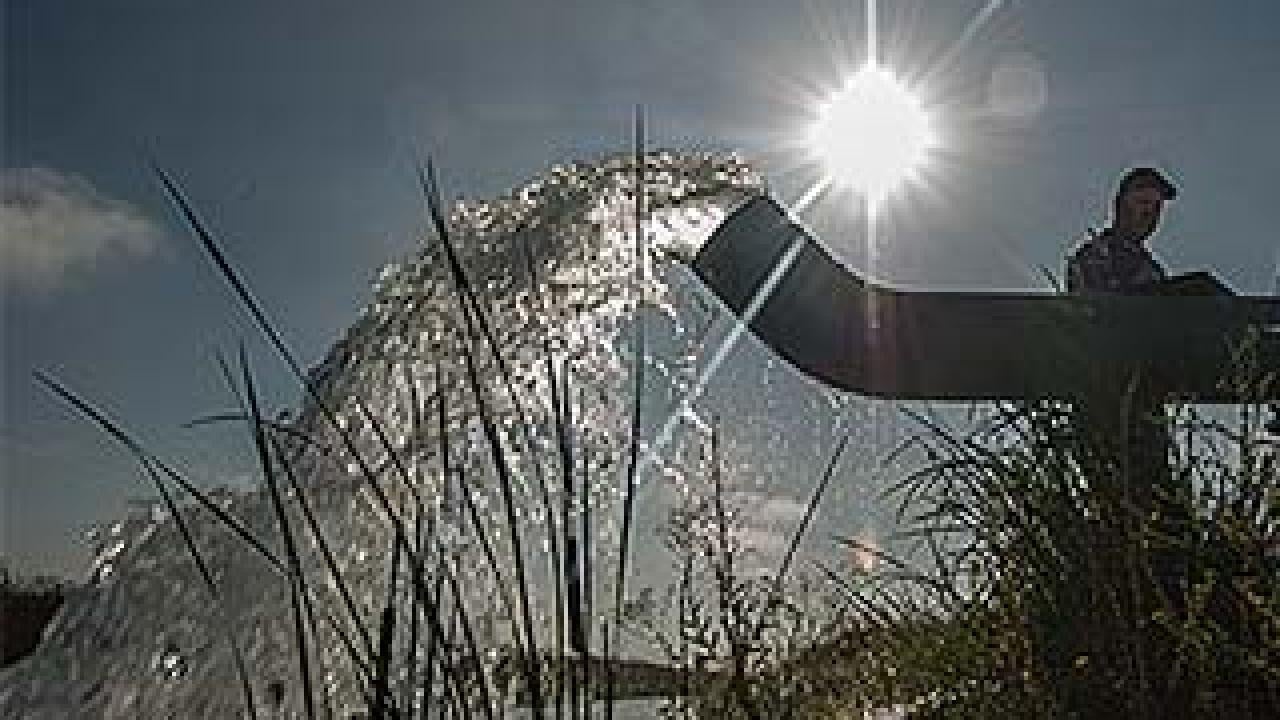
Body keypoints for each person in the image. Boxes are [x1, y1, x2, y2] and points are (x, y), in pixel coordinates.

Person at [1067, 166, 1177, 294]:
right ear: (1121, 206)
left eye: (1157, 207)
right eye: (1143, 202)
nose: (1150, 213)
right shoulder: (1093, 256)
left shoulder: (1154, 270)